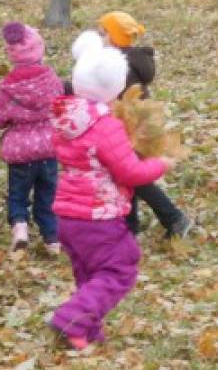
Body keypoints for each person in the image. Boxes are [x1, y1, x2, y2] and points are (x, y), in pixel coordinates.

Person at [49, 41, 172, 350]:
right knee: (121, 266)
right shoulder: (105, 127)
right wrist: (159, 164)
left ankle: (86, 329)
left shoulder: (66, 118)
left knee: (90, 273)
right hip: (98, 214)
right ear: (118, 86)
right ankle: (73, 318)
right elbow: (129, 172)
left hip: (66, 215)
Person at [95, 11, 193, 239]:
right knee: (127, 175)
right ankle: (130, 227)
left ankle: (175, 218)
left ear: (113, 38)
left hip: (129, 126)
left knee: (132, 175)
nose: (100, 40)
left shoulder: (119, 64)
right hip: (139, 125)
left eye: (103, 34)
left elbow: (109, 93)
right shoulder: (134, 60)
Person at [0, 22, 63, 253]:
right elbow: (60, 106)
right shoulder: (52, 80)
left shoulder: (8, 87)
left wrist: (10, 119)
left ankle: (20, 226)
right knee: (47, 195)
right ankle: (52, 238)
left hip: (21, 153)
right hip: (49, 149)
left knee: (18, 194)